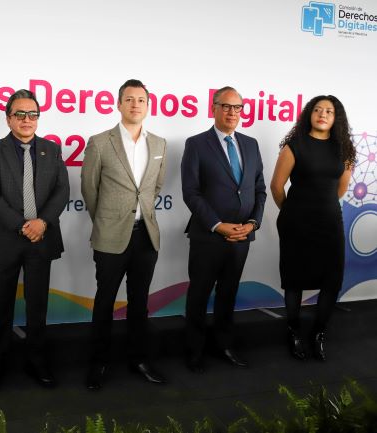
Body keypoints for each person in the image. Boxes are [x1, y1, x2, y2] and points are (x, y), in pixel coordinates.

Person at [0, 89, 69, 391]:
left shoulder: (52, 150)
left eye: (33, 114)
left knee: (37, 307)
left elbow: (62, 191)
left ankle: (37, 362)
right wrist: (22, 226)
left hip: (41, 238)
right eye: (20, 114)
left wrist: (42, 223)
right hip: (4, 239)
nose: (27, 119)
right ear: (8, 119)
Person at [80, 79, 168, 390]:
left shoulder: (159, 144)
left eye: (141, 100)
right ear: (118, 104)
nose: (135, 105)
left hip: (146, 236)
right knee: (105, 302)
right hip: (110, 235)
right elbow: (89, 189)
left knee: (139, 302)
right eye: (129, 99)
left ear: (148, 105)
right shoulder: (99, 142)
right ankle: (98, 363)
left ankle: (139, 359)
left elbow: (155, 187)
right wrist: (107, 220)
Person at [181, 86, 267, 373]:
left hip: (242, 235)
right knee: (199, 294)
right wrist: (218, 225)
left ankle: (225, 345)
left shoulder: (251, 144)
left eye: (237, 107)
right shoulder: (196, 144)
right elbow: (191, 192)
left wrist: (252, 223)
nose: (232, 112)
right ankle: (194, 350)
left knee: (229, 293)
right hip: (208, 234)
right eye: (226, 106)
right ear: (214, 108)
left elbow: (259, 189)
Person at [270, 95, 355, 362]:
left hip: (329, 223)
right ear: (309, 114)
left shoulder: (344, 149)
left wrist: (321, 207)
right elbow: (276, 186)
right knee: (294, 279)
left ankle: (319, 333)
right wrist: (293, 212)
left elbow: (341, 188)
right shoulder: (294, 145)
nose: (322, 114)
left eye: (328, 111)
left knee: (331, 280)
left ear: (336, 118)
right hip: (296, 223)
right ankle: (293, 331)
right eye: (317, 109)